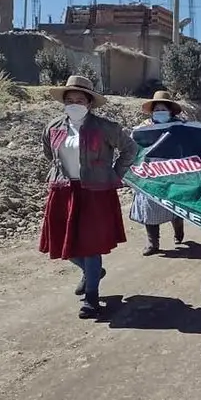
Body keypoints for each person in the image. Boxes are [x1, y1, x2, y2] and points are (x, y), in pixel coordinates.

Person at [39, 75, 138, 319]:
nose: (74, 103)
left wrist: (114, 174)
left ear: (90, 103)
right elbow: (48, 153)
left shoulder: (105, 128)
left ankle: (92, 298)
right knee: (64, 244)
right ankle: (92, 272)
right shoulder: (53, 128)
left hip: (95, 193)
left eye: (80, 100)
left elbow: (130, 149)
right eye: (69, 100)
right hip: (63, 191)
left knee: (91, 246)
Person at [130, 90, 189, 256]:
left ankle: (179, 230)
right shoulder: (143, 129)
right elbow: (133, 146)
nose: (160, 112)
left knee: (175, 206)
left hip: (174, 172)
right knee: (149, 207)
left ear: (170, 111)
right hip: (150, 173)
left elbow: (189, 145)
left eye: (163, 109)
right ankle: (152, 243)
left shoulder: (180, 127)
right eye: (157, 109)